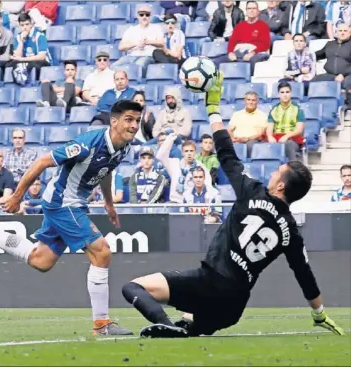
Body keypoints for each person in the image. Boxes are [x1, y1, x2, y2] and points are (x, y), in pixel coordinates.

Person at [121, 72, 345, 339]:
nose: (272, 174)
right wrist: (318, 313)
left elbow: (225, 150)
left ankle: (164, 323)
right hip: (234, 306)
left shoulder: (251, 191)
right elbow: (303, 273)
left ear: (281, 186)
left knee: (132, 287)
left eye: (277, 173)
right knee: (189, 324)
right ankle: (184, 326)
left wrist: (213, 108)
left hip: (210, 282)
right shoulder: (290, 230)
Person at [0, 100, 143, 337]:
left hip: (72, 203)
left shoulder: (123, 147)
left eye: (137, 121)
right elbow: (42, 161)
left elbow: (106, 171)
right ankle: (101, 324)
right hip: (63, 202)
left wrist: (109, 204)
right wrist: (17, 197)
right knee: (101, 252)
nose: (134, 125)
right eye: (129, 120)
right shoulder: (87, 144)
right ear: (114, 121)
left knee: (41, 261)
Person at [214, 1, 271, 75]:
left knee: (252, 61)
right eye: (249, 8)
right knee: (217, 61)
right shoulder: (240, 26)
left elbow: (265, 44)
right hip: (239, 51)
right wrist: (231, 52)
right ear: (246, 11)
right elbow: (232, 42)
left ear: (258, 11)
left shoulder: (263, 26)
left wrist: (253, 52)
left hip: (255, 52)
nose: (251, 10)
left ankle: (248, 82)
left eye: (254, 8)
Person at [157, 136, 212, 203]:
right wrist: (169, 140)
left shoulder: (200, 167)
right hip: (176, 202)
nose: (189, 153)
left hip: (192, 203)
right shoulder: (174, 163)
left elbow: (208, 185)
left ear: (195, 152)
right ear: (182, 153)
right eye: (186, 151)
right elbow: (160, 156)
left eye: (191, 151)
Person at [115, 4, 164, 77]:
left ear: (150, 16)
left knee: (139, 66)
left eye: (147, 15)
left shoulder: (156, 28)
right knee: (114, 67)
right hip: (131, 56)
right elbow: (121, 47)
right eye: (141, 15)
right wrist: (135, 44)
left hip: (148, 55)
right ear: (138, 16)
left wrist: (148, 42)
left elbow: (162, 43)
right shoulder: (131, 29)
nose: (144, 17)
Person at [312, 24, 351, 112]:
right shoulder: (330, 44)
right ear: (336, 32)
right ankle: (312, 107)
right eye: (340, 31)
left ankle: (348, 108)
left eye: (345, 31)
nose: (342, 33)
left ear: (350, 33)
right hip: (330, 75)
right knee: (313, 82)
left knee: (348, 83)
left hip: (348, 75)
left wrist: (343, 74)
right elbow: (318, 55)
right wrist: (306, 53)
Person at [6, 12, 52, 82]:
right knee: (9, 65)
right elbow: (18, 56)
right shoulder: (18, 37)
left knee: (33, 65)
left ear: (31, 24)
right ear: (19, 26)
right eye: (22, 25)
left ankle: (33, 84)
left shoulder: (39, 35)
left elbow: (42, 57)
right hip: (26, 61)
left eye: (27, 24)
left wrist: (22, 60)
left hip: (42, 61)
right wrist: (21, 42)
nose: (25, 27)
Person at [267, 81, 305, 161]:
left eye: (287, 92)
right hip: (277, 139)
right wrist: (270, 136)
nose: (285, 95)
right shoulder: (274, 110)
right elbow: (269, 129)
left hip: (292, 140)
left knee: (289, 144)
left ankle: (293, 170)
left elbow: (299, 130)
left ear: (291, 93)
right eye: (282, 92)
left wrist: (286, 136)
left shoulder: (298, 109)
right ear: (278, 94)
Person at [228, 91, 268, 157]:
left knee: (250, 145)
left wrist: (247, 139)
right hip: (237, 141)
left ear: (257, 101)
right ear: (244, 101)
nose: (251, 102)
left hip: (252, 141)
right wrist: (233, 138)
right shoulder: (236, 114)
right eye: (248, 100)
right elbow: (229, 130)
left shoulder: (262, 115)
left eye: (253, 100)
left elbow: (261, 134)